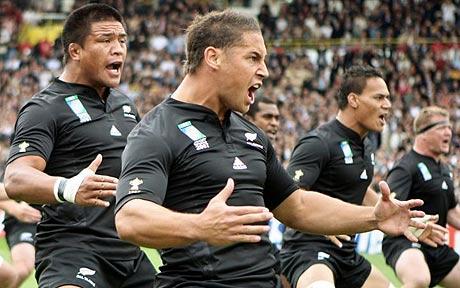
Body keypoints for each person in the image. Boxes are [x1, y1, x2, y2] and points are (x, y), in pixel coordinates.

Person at [114, 10, 425, 288]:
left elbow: (297, 206)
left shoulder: (250, 134)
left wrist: (373, 217)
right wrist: (200, 226)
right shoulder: (156, 131)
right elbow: (130, 218)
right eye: (253, 58)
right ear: (213, 57)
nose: (264, 70)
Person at [4, 4, 156, 287]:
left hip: (127, 253)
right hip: (72, 250)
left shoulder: (124, 105)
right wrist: (68, 188)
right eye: (105, 40)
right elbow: (15, 178)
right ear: (75, 51)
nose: (118, 49)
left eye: (122, 40)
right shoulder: (43, 108)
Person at [279, 65, 398, 288]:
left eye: (388, 98)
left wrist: (400, 213)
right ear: (354, 100)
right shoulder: (318, 142)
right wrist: (324, 224)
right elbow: (288, 196)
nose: (387, 105)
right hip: (308, 250)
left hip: (347, 255)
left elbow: (359, 191)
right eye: (379, 97)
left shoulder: (366, 145)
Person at [382, 106, 460, 288]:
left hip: (435, 244)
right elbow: (389, 209)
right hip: (405, 241)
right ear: (423, 133)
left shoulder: (444, 169)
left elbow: (451, 212)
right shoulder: (405, 167)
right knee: (418, 280)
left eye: (449, 127)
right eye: (441, 127)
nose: (449, 131)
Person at [246, 95, 289, 288]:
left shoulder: (268, 156)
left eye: (277, 118)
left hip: (263, 245)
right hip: (235, 253)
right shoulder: (239, 155)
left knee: (290, 275)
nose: (274, 123)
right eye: (268, 117)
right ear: (249, 119)